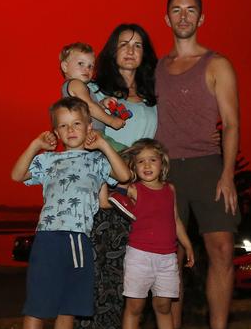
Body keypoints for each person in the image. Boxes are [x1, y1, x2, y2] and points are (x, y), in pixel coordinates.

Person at [155, 0, 241, 329]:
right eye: (176, 10)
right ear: (167, 18)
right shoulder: (157, 68)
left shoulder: (217, 63)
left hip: (208, 166)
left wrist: (228, 174)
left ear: (201, 18)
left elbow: (232, 123)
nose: (184, 16)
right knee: (170, 258)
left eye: (191, 10)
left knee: (221, 250)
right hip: (166, 171)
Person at [10, 97, 131, 329]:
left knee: (69, 305)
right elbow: (17, 175)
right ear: (56, 132)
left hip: (78, 238)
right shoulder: (48, 160)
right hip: (47, 237)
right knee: (38, 303)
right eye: (63, 125)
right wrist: (36, 145)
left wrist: (104, 144)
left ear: (89, 128)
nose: (71, 130)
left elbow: (124, 175)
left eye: (77, 124)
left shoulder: (97, 160)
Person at [74, 23, 159, 329]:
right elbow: (87, 140)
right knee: (99, 280)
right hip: (107, 195)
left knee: (133, 284)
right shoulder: (96, 92)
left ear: (145, 54)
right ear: (112, 51)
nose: (130, 50)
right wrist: (99, 190)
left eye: (138, 45)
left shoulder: (153, 98)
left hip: (141, 197)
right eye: (124, 44)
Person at [120, 138, 195, 329]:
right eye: (141, 161)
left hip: (167, 258)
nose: (147, 165)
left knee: (164, 306)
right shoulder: (133, 190)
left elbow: (175, 219)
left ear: (162, 162)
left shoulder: (170, 189)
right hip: (139, 256)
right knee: (135, 307)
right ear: (133, 166)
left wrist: (187, 245)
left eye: (152, 160)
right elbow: (108, 188)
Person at [59, 42, 128, 152]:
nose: (87, 69)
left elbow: (86, 107)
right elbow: (89, 107)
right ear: (65, 66)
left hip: (91, 136)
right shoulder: (75, 84)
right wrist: (111, 121)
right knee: (126, 154)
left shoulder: (81, 87)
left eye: (90, 66)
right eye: (81, 63)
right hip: (90, 135)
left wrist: (102, 103)